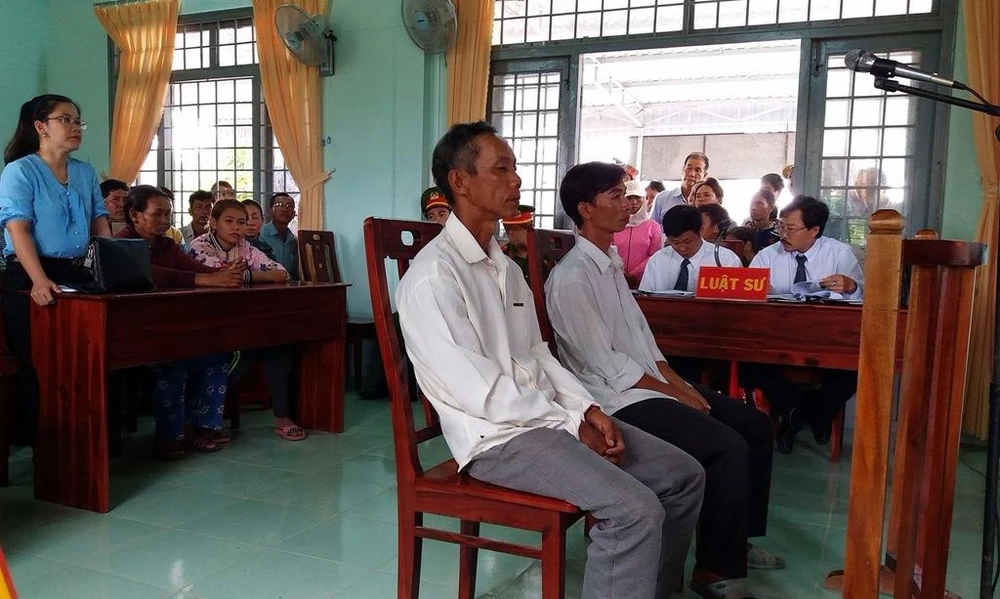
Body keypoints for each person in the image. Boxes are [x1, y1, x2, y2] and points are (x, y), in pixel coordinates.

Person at [398, 121, 705, 598]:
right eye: (501, 169)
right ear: (460, 181)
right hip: (496, 437)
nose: (516, 179)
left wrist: (586, 408)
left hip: (545, 419)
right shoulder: (434, 276)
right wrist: (569, 423)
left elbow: (538, 355)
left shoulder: (504, 267)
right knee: (633, 510)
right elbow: (479, 392)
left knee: (683, 476)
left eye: (515, 168)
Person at [547, 161, 781, 599]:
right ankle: (714, 569)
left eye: (625, 195)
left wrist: (680, 385)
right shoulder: (572, 277)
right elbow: (605, 364)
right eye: (615, 197)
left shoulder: (610, 264)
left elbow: (645, 344)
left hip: (647, 382)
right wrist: (672, 392)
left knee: (754, 425)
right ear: (585, 209)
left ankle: (736, 539)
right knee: (726, 446)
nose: (627, 205)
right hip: (617, 397)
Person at [0, 94, 111, 447]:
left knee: (81, 360)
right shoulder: (20, 170)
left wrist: (109, 269)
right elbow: (18, 228)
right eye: (66, 119)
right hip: (30, 274)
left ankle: (78, 440)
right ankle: (38, 441)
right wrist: (38, 281)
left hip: (77, 273)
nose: (75, 127)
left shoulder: (84, 171)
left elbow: (100, 221)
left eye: (78, 121)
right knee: (39, 363)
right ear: (41, 127)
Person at [117, 185, 244, 458]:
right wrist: (206, 279)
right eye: (158, 214)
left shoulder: (167, 245)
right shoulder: (121, 244)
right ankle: (170, 435)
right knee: (171, 363)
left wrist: (224, 273)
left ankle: (201, 428)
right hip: (133, 335)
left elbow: (194, 268)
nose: (165, 220)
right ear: (135, 215)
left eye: (168, 214)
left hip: (171, 330)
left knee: (214, 357)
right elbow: (150, 273)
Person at [744, 195, 863, 454]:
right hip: (776, 339)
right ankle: (798, 409)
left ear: (814, 230)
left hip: (826, 339)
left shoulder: (839, 254)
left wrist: (851, 286)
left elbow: (862, 298)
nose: (783, 234)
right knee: (747, 362)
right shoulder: (766, 257)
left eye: (791, 228)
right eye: (781, 226)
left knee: (854, 367)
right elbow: (748, 298)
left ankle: (808, 414)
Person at [189, 199, 307, 441]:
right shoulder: (199, 245)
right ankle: (199, 417)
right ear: (214, 223)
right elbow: (221, 275)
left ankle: (282, 418)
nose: (236, 227)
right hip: (206, 323)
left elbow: (280, 272)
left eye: (241, 222)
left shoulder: (246, 247)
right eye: (229, 221)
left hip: (240, 322)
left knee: (278, 342)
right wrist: (253, 275)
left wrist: (246, 275)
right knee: (252, 345)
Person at [640, 204, 741, 293]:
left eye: (688, 242)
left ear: (701, 230)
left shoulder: (726, 260)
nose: (682, 249)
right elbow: (646, 297)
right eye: (675, 243)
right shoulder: (657, 260)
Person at [613, 179, 662, 288]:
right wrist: (621, 274)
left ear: (644, 199)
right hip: (615, 279)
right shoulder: (614, 225)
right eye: (629, 198)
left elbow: (654, 255)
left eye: (637, 198)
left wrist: (634, 275)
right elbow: (608, 251)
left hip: (644, 281)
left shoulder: (653, 227)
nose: (634, 202)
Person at [650, 151, 709, 226]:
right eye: (689, 168)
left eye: (697, 170)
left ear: (704, 175)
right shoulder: (662, 198)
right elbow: (651, 229)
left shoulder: (705, 203)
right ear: (683, 169)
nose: (691, 174)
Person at [259, 193, 299, 280]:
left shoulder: (294, 240)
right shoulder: (260, 235)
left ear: (294, 214)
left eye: (289, 206)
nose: (285, 209)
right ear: (270, 211)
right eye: (279, 205)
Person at [501, 204, 535, 280]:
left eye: (516, 229)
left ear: (529, 228)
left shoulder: (544, 255)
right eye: (507, 229)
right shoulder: (503, 256)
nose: (510, 233)